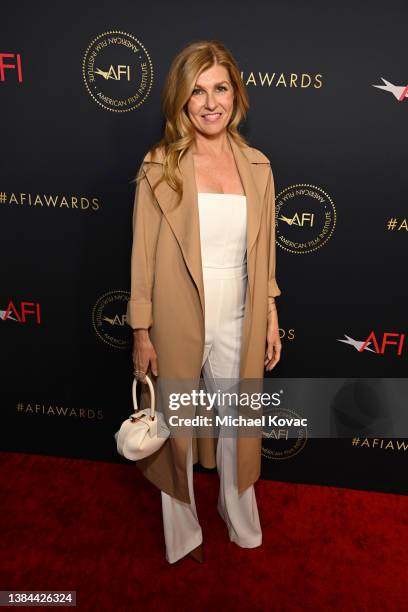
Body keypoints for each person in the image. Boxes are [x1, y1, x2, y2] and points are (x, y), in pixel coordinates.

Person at [126, 39, 282, 564]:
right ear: (181, 100)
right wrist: (141, 331)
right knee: (176, 429)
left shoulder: (258, 165)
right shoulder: (160, 165)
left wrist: (270, 314)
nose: (210, 102)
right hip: (176, 316)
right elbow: (142, 256)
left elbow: (265, 256)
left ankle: (240, 519)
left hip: (239, 312)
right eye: (197, 90)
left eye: (220, 87)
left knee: (241, 425)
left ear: (235, 94)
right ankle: (184, 533)